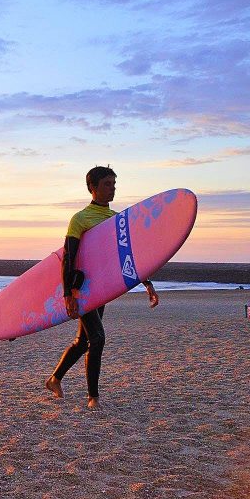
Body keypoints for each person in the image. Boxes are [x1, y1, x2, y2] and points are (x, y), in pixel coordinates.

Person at [45, 166, 159, 410]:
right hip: (83, 289)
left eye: (114, 184)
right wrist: (68, 294)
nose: (112, 188)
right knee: (97, 338)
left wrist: (147, 284)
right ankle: (93, 397)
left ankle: (54, 379)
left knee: (84, 341)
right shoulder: (80, 219)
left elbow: (129, 258)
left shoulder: (118, 220)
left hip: (102, 289)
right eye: (107, 184)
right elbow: (69, 257)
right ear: (92, 188)